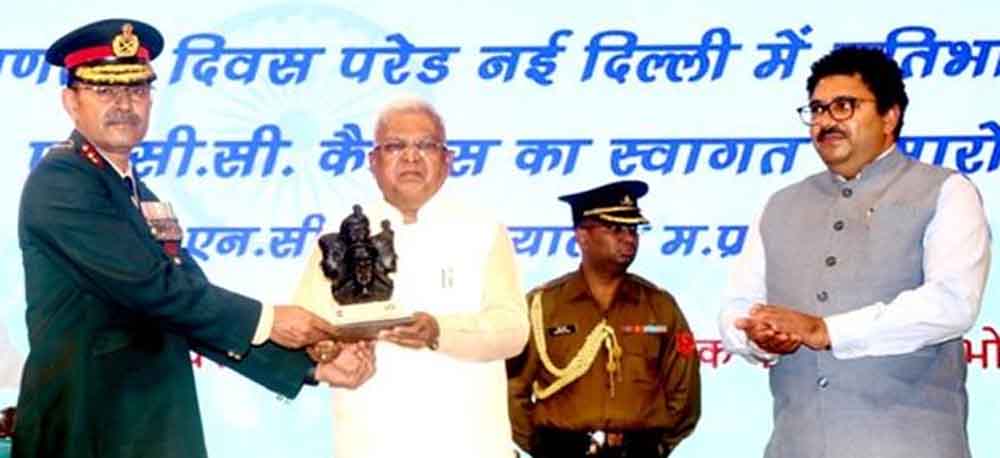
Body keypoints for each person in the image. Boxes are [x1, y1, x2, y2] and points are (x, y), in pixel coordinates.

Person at [13, 18, 374, 458]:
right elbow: (156, 290)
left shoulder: (135, 193)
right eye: (105, 90)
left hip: (148, 429)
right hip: (85, 429)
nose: (124, 105)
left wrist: (311, 368)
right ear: (71, 101)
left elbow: (191, 305)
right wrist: (268, 319)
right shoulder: (62, 182)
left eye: (137, 90)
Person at [718, 46, 991, 458]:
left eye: (844, 106)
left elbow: (952, 303)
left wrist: (826, 331)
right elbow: (738, 305)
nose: (826, 121)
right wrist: (755, 336)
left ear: (890, 116)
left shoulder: (946, 191)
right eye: (817, 109)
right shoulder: (781, 204)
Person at [292, 98, 530, 458]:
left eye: (426, 145)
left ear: (447, 160)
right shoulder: (339, 238)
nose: (411, 157)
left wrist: (439, 331)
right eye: (395, 146)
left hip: (469, 444)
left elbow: (513, 331)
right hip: (369, 443)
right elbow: (304, 329)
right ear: (373, 162)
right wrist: (327, 349)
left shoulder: (482, 231)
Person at [507, 180, 701, 458]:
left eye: (633, 230)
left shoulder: (660, 306)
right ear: (582, 236)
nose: (629, 239)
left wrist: (656, 447)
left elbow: (685, 390)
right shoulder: (542, 306)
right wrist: (541, 447)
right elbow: (513, 387)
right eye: (616, 229)